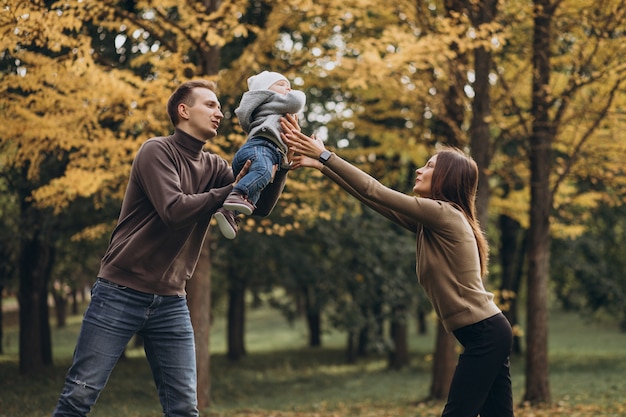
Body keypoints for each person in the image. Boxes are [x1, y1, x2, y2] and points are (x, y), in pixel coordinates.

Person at [51, 80, 287, 417]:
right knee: (78, 398)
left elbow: (259, 206)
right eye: (210, 105)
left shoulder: (216, 167)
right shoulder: (156, 151)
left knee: (183, 410)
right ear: (184, 110)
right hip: (120, 292)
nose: (220, 112)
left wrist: (282, 161)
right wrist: (233, 191)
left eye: (219, 106)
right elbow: (173, 211)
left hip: (172, 301)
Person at [281, 115, 514, 417]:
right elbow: (375, 201)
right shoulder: (434, 223)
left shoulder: (443, 215)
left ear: (448, 177)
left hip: (485, 333)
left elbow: (375, 190)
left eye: (430, 166)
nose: (419, 169)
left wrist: (325, 155)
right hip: (486, 332)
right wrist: (323, 167)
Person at [214, 71, 306, 239]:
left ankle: (229, 212)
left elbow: (263, 210)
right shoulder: (271, 100)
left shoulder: (271, 110)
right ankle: (236, 193)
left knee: (253, 197)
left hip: (265, 153)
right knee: (262, 173)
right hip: (261, 148)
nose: (288, 88)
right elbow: (297, 101)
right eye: (281, 84)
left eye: (289, 85)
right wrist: (294, 93)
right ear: (264, 91)